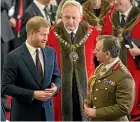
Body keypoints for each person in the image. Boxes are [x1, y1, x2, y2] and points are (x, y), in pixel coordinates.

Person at [47, 0, 99, 121]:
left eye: (74, 17)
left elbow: (100, 62)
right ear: (61, 16)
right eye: (67, 17)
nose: (70, 21)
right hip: (60, 88)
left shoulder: (92, 33)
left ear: (81, 17)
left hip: (87, 85)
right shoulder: (51, 34)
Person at [2, 16, 61, 121]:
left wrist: (55, 87)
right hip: (24, 115)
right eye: (42, 34)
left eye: (47, 34)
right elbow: (6, 87)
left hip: (47, 114)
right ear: (32, 33)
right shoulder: (13, 57)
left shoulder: (51, 52)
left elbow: (57, 77)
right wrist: (33, 94)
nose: (46, 38)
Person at [102, 0, 140, 120]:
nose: (115, 2)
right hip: (113, 74)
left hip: (135, 74)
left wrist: (139, 52)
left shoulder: (138, 17)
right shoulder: (109, 18)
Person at [84, 35, 135, 121]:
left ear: (107, 54)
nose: (94, 51)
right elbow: (95, 90)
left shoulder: (124, 76)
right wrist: (87, 101)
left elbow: (124, 108)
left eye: (97, 50)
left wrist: (96, 112)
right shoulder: (101, 67)